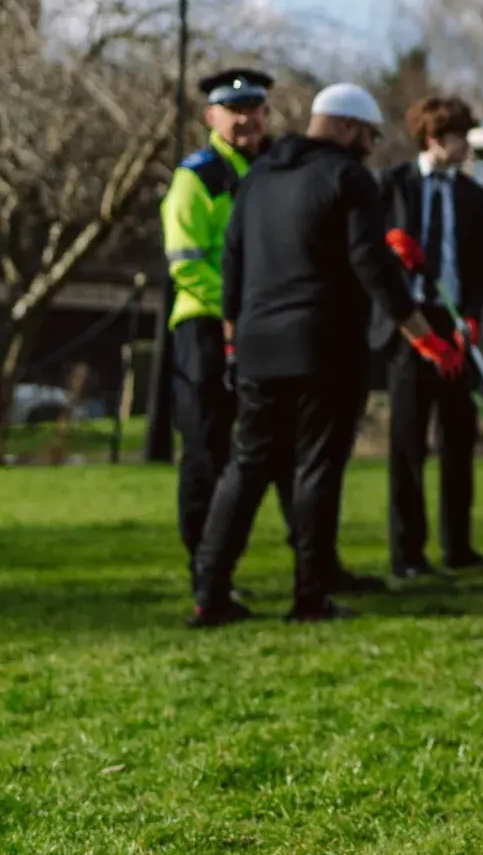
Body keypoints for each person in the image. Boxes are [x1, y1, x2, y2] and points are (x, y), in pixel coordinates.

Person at [188, 85, 463, 626]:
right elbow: (370, 263)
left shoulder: (258, 176)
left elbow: (233, 264)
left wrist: (232, 339)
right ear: (346, 127)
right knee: (317, 467)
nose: (368, 145)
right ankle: (310, 597)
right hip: (323, 345)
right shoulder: (348, 177)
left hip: (257, 343)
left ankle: (209, 591)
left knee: (246, 467)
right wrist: (421, 334)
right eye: (367, 135)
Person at [375, 95, 483, 580]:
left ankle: (460, 545)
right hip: (412, 323)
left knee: (459, 440)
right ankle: (408, 553)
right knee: (409, 443)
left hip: (455, 323)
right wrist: (396, 253)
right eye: (460, 138)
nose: (467, 146)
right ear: (434, 138)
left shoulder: (474, 196)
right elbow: (368, 253)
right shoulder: (392, 186)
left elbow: (482, 270)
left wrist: (471, 316)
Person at [160, 67, 287, 563]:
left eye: (253, 109)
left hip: (259, 325)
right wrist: (234, 309)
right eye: (234, 111)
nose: (245, 120)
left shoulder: (270, 169)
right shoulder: (198, 175)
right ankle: (204, 564)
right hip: (206, 327)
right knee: (205, 448)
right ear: (211, 115)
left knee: (269, 449)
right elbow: (185, 263)